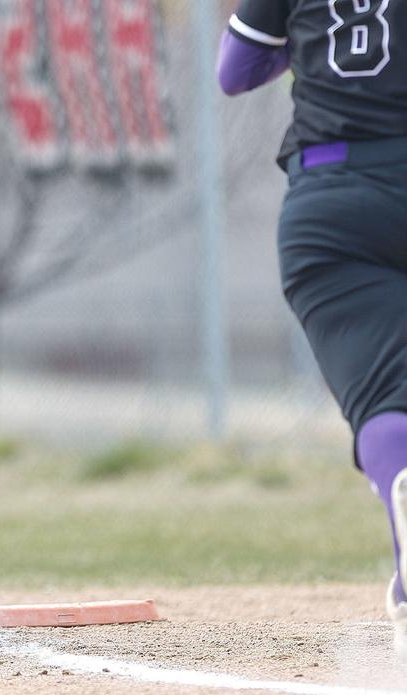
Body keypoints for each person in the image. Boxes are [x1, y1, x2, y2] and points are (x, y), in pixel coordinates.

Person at [218, 1, 407, 638]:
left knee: (384, 398)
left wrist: (306, 43)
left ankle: (401, 480)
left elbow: (235, 70)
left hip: (332, 197)